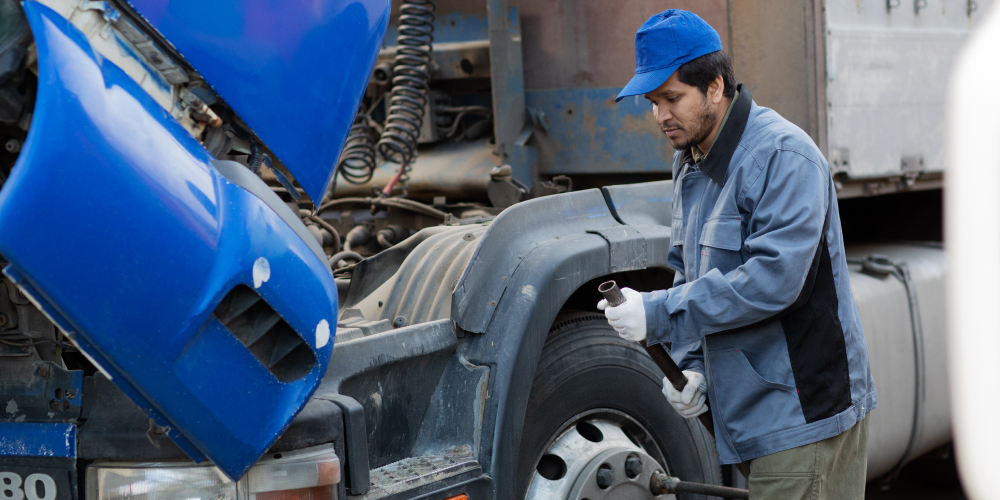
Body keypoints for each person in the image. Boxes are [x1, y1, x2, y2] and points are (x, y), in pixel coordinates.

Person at [598, 10, 876, 499]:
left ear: (715, 87)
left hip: (802, 416)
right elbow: (689, 269)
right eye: (653, 102)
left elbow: (774, 279)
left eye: (672, 98)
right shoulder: (690, 162)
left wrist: (659, 313)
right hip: (751, 416)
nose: (660, 115)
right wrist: (693, 368)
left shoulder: (783, 156)